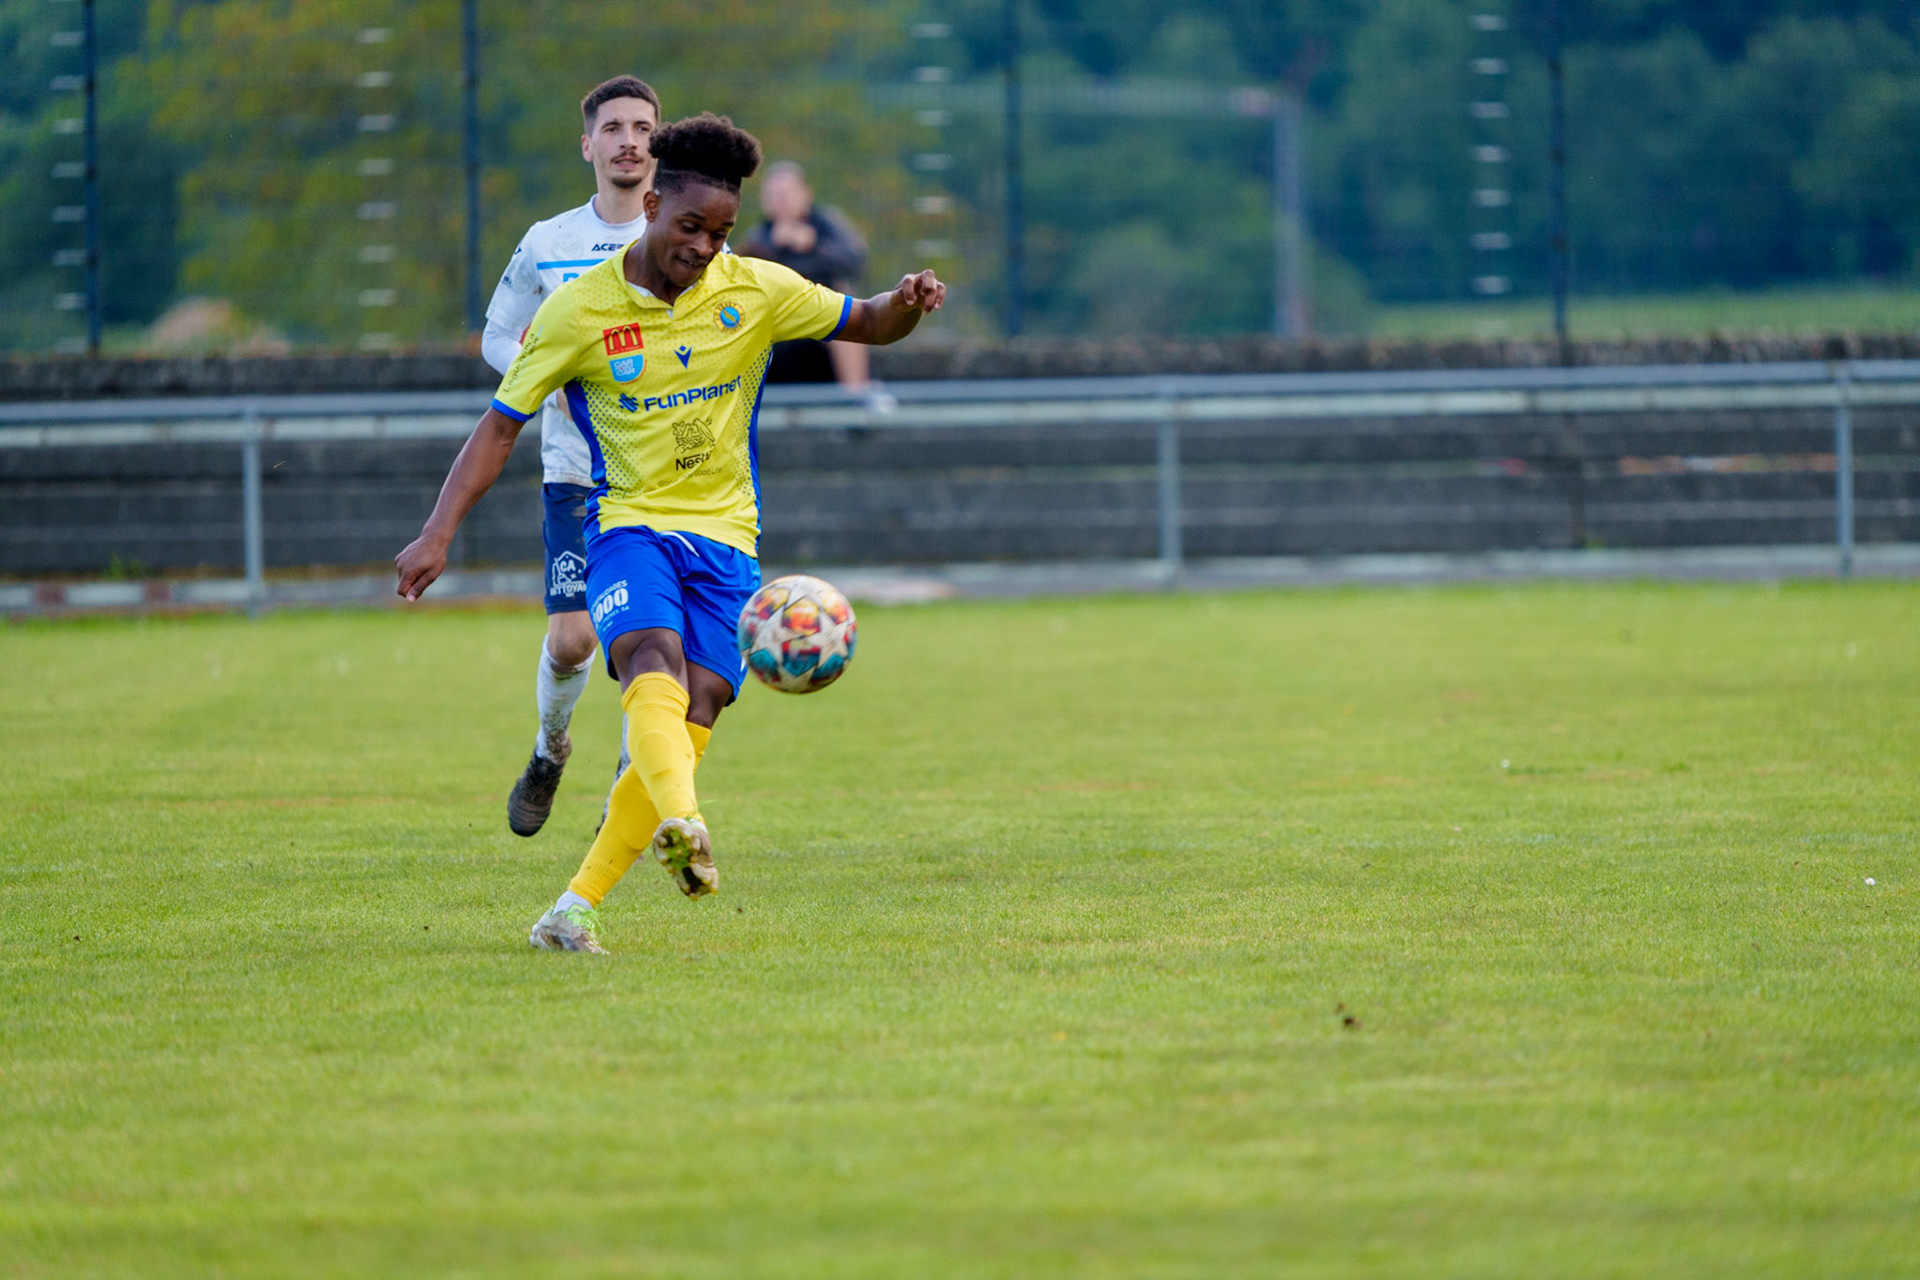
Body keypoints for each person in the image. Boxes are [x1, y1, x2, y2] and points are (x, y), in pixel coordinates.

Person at [394, 113, 947, 954]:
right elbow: (501, 425)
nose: (704, 248)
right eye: (691, 227)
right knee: (649, 659)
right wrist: (437, 533)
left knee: (702, 703)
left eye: (721, 233)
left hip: (727, 540)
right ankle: (684, 820)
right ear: (652, 205)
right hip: (628, 523)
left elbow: (866, 320)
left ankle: (571, 911)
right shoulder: (581, 310)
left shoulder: (752, 288)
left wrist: (906, 303)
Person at [482, 75, 661, 838]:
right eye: (614, 128)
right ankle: (549, 749)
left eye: (643, 129)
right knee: (571, 640)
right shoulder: (548, 243)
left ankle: (630, 779)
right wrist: (542, 376)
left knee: (646, 639)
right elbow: (497, 336)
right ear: (587, 145)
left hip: (662, 477)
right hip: (574, 474)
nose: (629, 142)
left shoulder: (683, 239)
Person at [740, 161, 890, 408]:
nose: (781, 201)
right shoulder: (759, 237)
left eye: (787, 193)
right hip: (779, 326)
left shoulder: (827, 225)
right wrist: (773, 248)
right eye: (774, 195)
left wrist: (814, 246)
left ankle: (858, 397)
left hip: (821, 323)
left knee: (844, 309)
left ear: (805, 194)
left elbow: (855, 261)